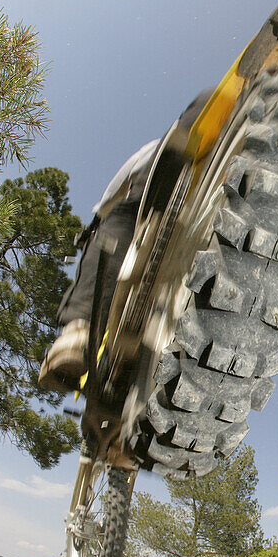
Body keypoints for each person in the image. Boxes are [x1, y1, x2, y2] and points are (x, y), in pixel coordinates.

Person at [38, 88, 213, 393]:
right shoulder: (156, 148)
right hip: (178, 199)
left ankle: (79, 331)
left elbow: (109, 202)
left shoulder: (154, 149)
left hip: (187, 194)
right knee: (118, 221)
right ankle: (80, 333)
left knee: (112, 224)